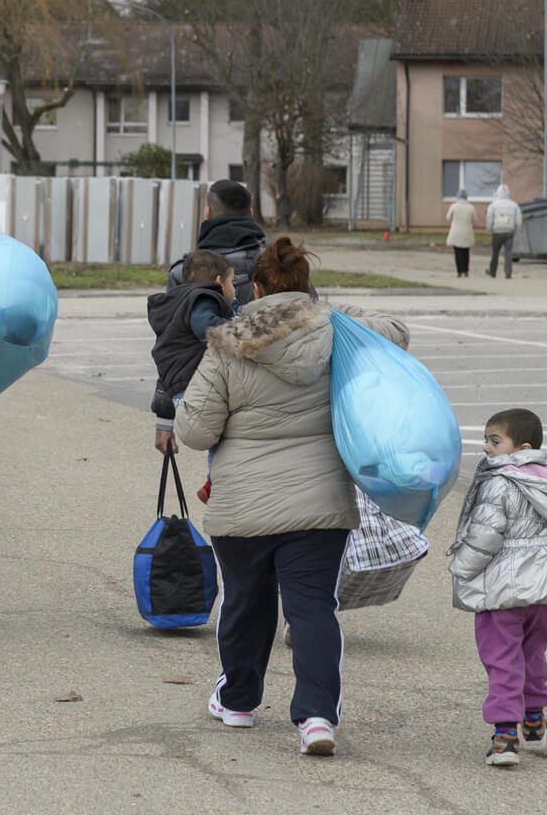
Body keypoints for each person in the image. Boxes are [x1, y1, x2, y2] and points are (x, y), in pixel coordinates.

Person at [174, 236, 408, 758]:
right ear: (308, 287)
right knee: (311, 611)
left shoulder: (228, 342)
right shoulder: (338, 332)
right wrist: (331, 311)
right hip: (319, 503)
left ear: (255, 288)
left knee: (246, 604)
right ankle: (317, 717)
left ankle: (237, 701)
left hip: (244, 506)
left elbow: (196, 430)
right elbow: (398, 333)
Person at [449, 408, 547, 767]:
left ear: (523, 446)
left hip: (504, 589)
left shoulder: (500, 482)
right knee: (532, 652)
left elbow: (486, 535)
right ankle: (533, 718)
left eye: (494, 441)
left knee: (502, 658)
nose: (486, 448)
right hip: (546, 591)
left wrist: (462, 570)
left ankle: (505, 736)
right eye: (486, 440)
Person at [157, 179, 266, 455]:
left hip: (208, 395)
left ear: (207, 213)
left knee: (222, 475)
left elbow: (172, 346)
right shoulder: (276, 263)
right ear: (251, 215)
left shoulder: (185, 272)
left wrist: (165, 416)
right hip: (270, 398)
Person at [146, 250, 236, 462]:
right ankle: (216, 482)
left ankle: (213, 481)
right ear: (219, 282)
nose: (235, 290)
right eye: (232, 283)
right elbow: (204, 326)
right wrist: (239, 329)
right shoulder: (204, 298)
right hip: (193, 389)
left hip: (179, 391)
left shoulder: (181, 301)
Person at [486, 184, 520, 279]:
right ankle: (508, 273)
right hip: (509, 232)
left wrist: (490, 229)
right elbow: (518, 220)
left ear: (498, 193)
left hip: (497, 232)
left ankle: (493, 271)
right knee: (508, 253)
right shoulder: (514, 205)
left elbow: (489, 219)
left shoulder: (493, 205)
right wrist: (515, 230)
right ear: (508, 193)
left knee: (495, 253)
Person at [447, 189, 477, 277]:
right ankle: (466, 271)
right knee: (466, 252)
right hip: (467, 232)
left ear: (458, 197)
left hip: (456, 232)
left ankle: (459, 272)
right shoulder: (471, 207)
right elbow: (474, 219)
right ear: (466, 197)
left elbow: (448, 217)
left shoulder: (453, 206)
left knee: (457, 253)